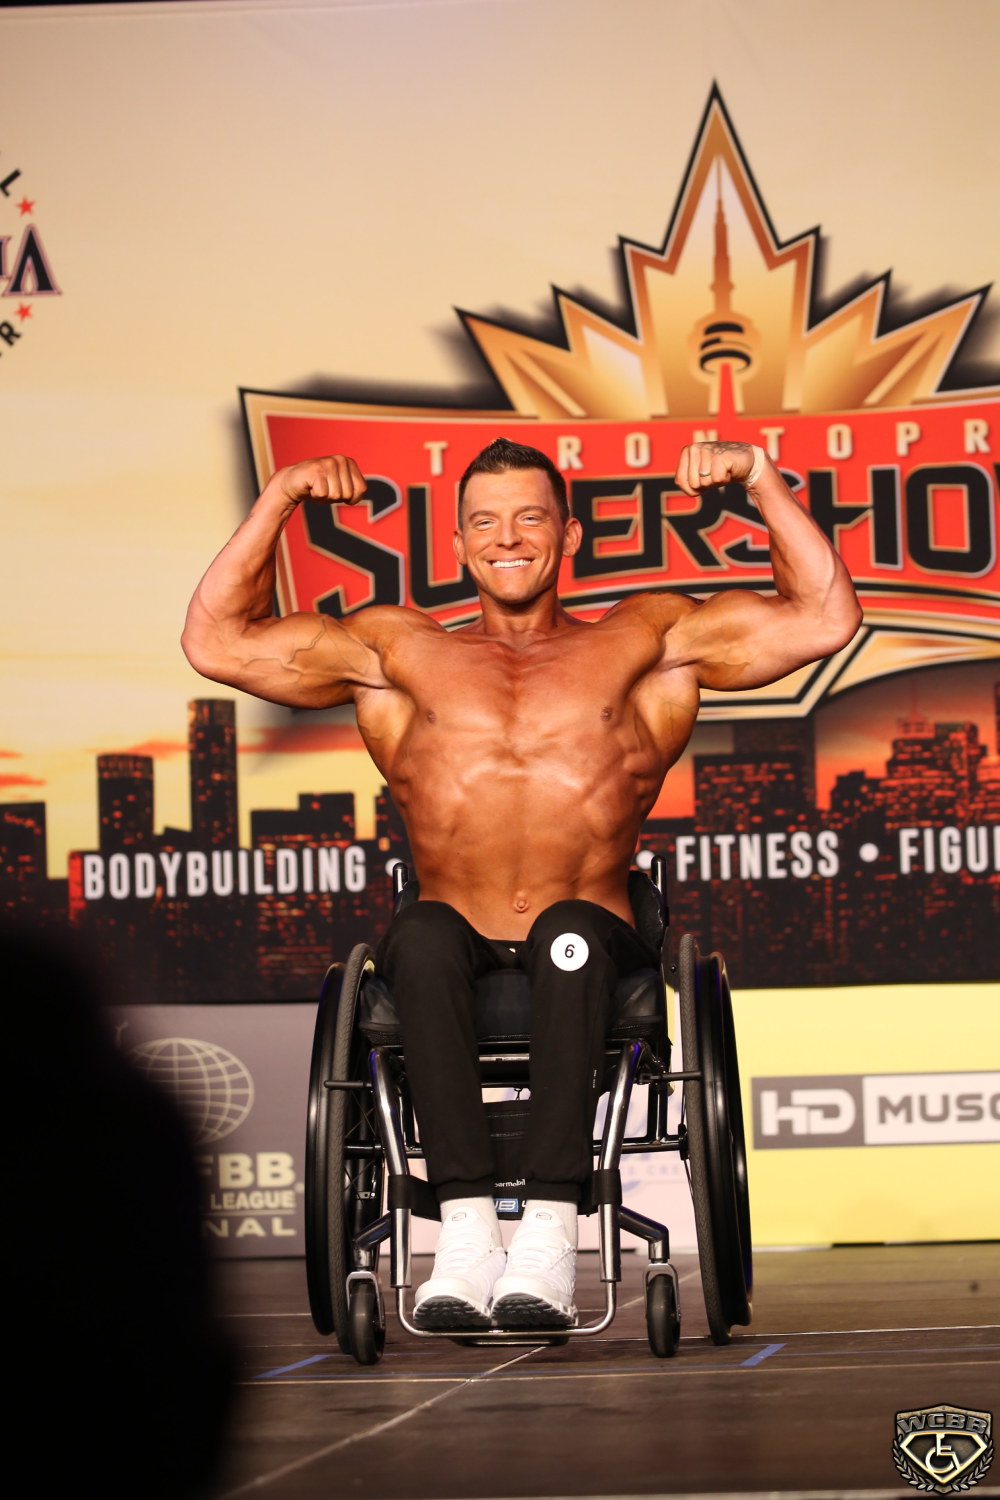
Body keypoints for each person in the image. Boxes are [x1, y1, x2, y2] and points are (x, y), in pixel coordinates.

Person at [182, 436, 861, 1330]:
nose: (507, 537)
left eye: (531, 517)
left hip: (592, 935)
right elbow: (216, 642)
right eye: (485, 522)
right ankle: (464, 1236)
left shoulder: (645, 641)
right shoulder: (395, 651)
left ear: (569, 535)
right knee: (421, 935)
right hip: (450, 937)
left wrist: (762, 481)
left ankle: (547, 1234)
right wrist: (280, 496)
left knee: (567, 934)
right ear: (459, 543)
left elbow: (823, 618)